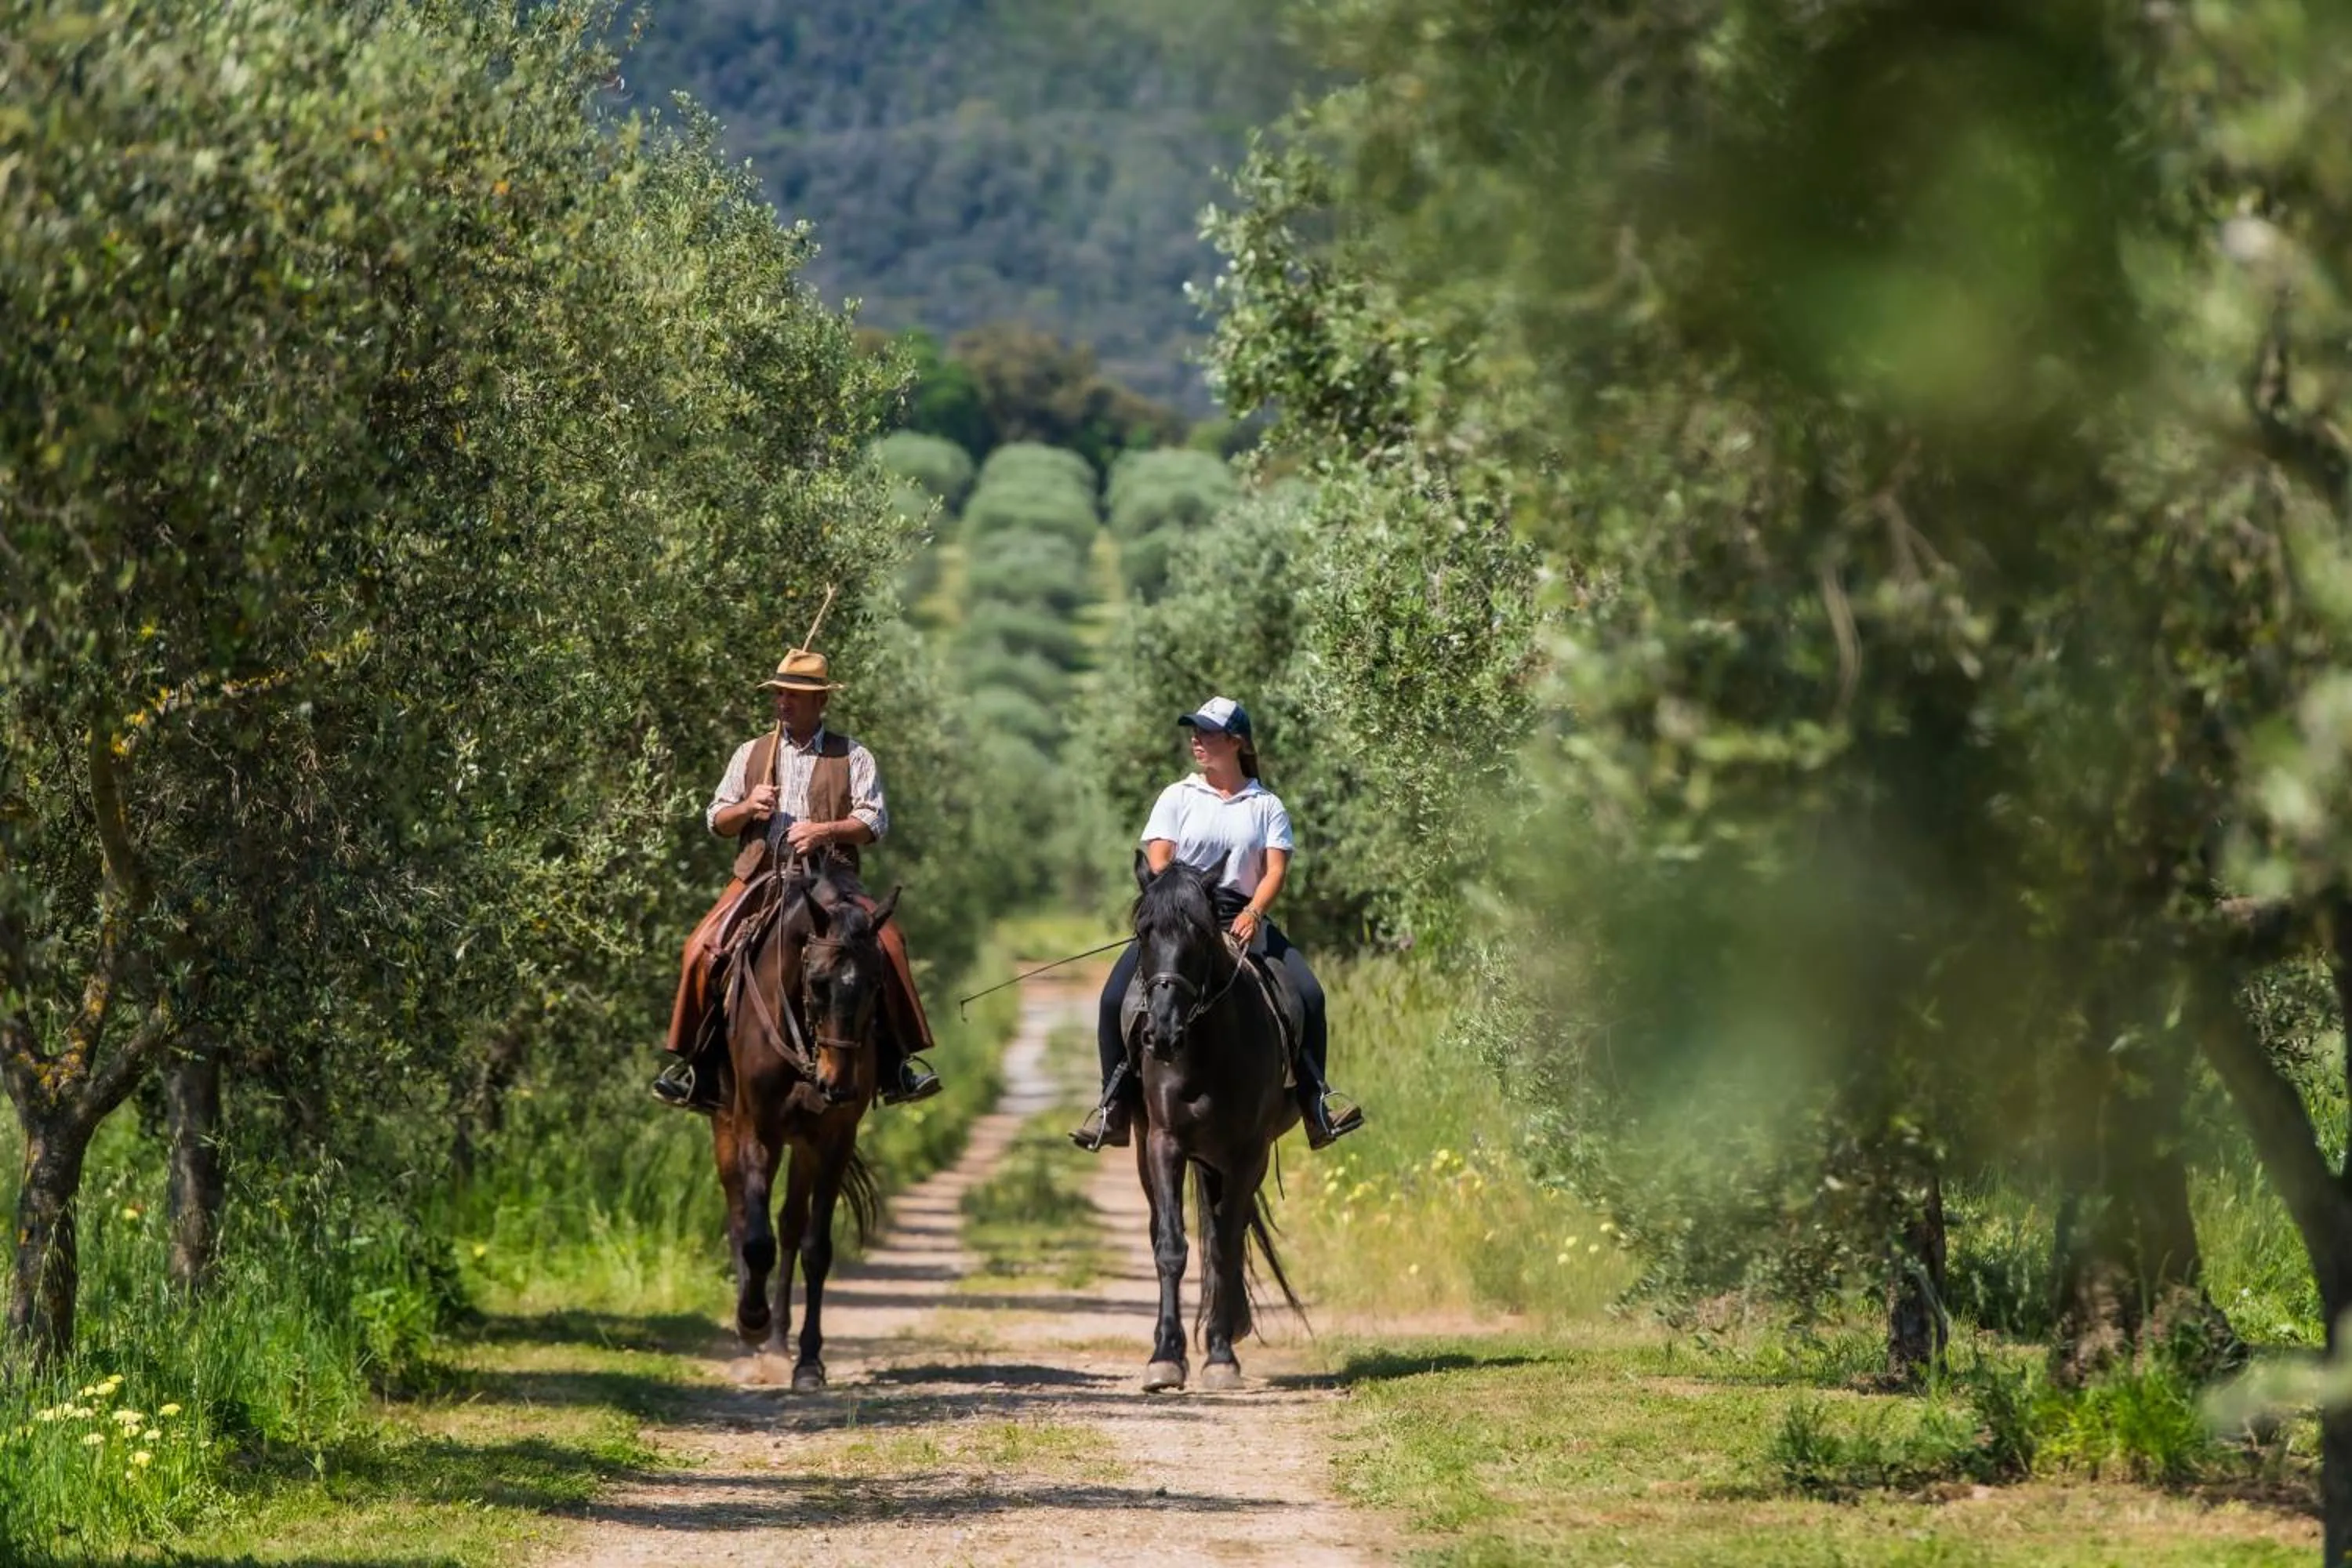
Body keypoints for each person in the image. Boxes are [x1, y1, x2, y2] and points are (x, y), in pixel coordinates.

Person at [652, 647, 939, 1112]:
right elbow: (716, 819)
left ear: (820, 702)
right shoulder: (750, 754)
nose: (784, 702)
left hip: (833, 881)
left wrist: (823, 830)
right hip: (760, 876)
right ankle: (695, 1069)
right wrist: (748, 808)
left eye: (796, 695)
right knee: (699, 949)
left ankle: (896, 1066)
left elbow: (874, 823)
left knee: (887, 944)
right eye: (781, 693)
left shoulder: (854, 755)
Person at [1071, 695, 1363, 1152]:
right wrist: (1187, 907)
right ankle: (1114, 1106)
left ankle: (1316, 1103)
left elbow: (1276, 871)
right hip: (1183, 917)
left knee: (1309, 994)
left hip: (1244, 916)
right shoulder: (1178, 795)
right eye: (1194, 731)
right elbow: (1159, 856)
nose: (1196, 740)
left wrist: (1252, 912)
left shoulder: (1265, 804)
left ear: (1236, 741)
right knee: (1113, 999)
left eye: (1207, 732)